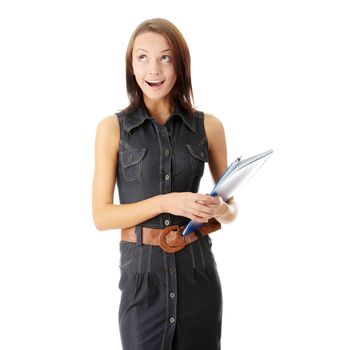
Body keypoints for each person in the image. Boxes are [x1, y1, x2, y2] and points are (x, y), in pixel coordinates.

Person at [92, 18, 238, 350]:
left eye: (165, 57)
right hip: (142, 283)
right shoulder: (112, 129)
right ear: (131, 65)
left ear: (180, 64)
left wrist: (220, 208)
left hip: (198, 277)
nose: (153, 69)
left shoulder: (209, 127)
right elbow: (101, 216)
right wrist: (164, 202)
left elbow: (232, 211)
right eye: (142, 57)